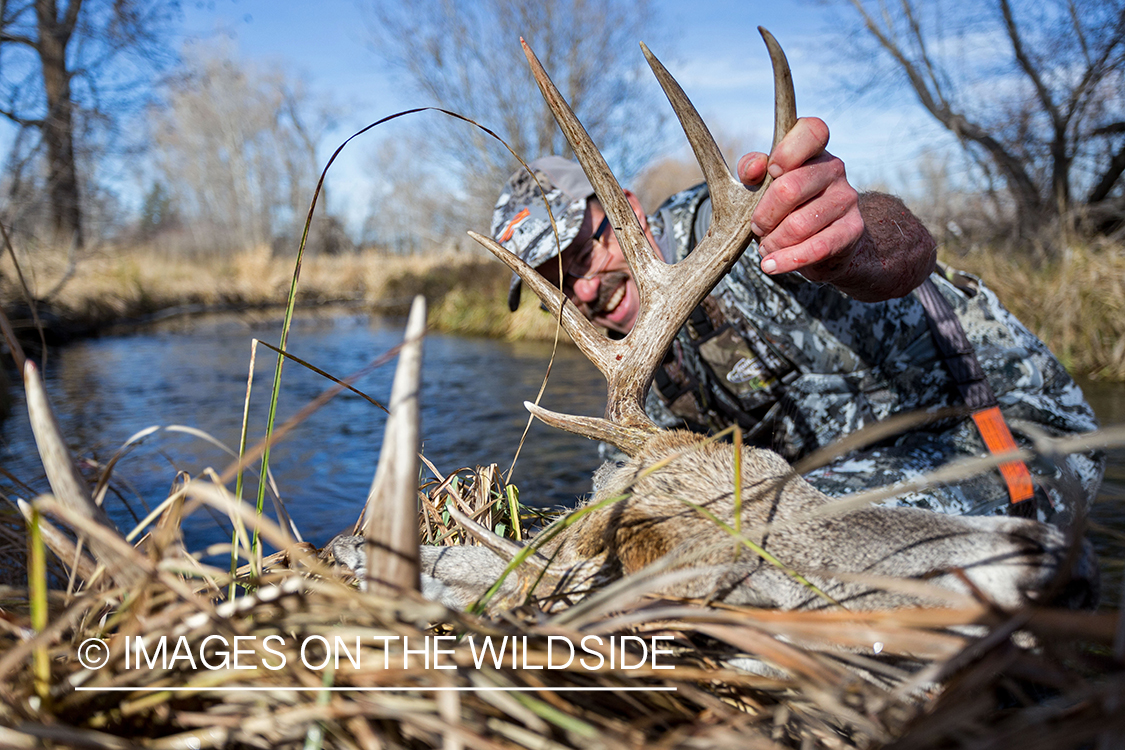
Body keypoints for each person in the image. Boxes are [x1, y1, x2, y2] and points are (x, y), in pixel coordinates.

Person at [491, 118, 1103, 527]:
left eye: (583, 254)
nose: (586, 289)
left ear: (627, 211)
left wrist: (855, 248)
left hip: (1003, 435)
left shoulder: (726, 232)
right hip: (855, 476)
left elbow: (900, 238)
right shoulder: (637, 375)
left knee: (768, 528)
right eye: (555, 282)